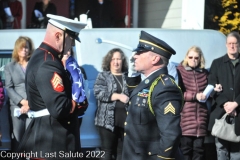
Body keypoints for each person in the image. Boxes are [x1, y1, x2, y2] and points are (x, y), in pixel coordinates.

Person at [17, 14, 86, 160]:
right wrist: (80, 102)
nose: (72, 45)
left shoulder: (42, 57)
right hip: (54, 143)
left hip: (49, 140)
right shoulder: (48, 63)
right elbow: (59, 107)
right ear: (58, 36)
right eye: (71, 39)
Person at [122, 30, 183, 160]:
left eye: (140, 53)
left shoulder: (165, 88)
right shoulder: (150, 83)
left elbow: (171, 135)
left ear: (155, 59)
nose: (134, 56)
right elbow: (135, 96)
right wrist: (132, 75)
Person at [208, 31, 240, 160]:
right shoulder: (217, 63)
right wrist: (226, 104)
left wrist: (236, 103)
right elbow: (212, 85)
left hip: (239, 113)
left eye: (235, 43)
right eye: (230, 43)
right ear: (226, 45)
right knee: (221, 150)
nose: (232, 46)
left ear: (239, 45)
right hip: (221, 113)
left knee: (237, 153)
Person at [94, 48, 130, 160]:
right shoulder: (103, 76)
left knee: (122, 151)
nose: (116, 62)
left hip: (125, 121)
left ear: (122, 61)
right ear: (109, 61)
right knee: (107, 152)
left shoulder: (127, 77)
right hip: (106, 121)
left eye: (118, 59)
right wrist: (119, 96)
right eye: (113, 59)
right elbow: (98, 93)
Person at [177, 46, 209, 160]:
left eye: (196, 57)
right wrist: (195, 96)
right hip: (185, 120)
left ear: (200, 59)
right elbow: (178, 93)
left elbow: (209, 92)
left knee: (199, 153)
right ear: (186, 57)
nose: (193, 59)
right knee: (185, 152)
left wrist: (214, 90)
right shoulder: (179, 71)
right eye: (190, 57)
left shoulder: (204, 73)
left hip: (201, 120)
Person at [4, 36, 34, 155]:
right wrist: (22, 101)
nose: (24, 50)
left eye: (26, 47)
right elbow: (9, 87)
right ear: (17, 49)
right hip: (17, 107)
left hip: (33, 105)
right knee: (17, 135)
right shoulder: (9, 67)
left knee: (30, 135)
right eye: (22, 48)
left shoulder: (34, 65)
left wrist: (30, 103)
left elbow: (37, 85)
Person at [62, 49, 89, 149]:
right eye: (65, 51)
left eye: (69, 51)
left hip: (77, 109)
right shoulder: (56, 67)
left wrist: (78, 100)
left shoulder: (78, 69)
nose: (67, 53)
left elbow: (85, 89)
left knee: (74, 139)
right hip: (63, 108)